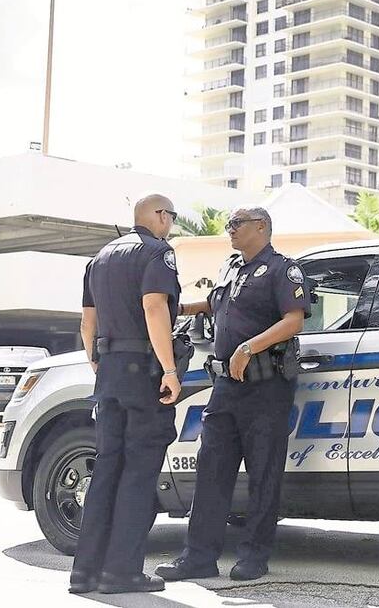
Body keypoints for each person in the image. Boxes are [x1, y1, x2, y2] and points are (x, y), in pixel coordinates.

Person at [156, 205, 309, 583]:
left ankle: (254, 556)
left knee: (263, 474)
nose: (229, 229)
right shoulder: (230, 266)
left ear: (261, 226)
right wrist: (174, 308)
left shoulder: (281, 269)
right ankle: (198, 557)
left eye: (236, 224)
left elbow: (294, 319)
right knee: (211, 472)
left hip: (266, 387)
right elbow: (215, 304)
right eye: (228, 224)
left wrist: (249, 347)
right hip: (225, 387)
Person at [69, 194, 182, 595]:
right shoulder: (156, 253)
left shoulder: (100, 258)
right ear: (159, 216)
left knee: (106, 470)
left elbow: (87, 322)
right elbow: (155, 307)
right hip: (142, 373)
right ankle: (121, 572)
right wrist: (169, 369)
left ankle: (84, 573)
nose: (171, 224)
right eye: (171, 216)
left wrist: (96, 361)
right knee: (139, 472)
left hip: (110, 371)